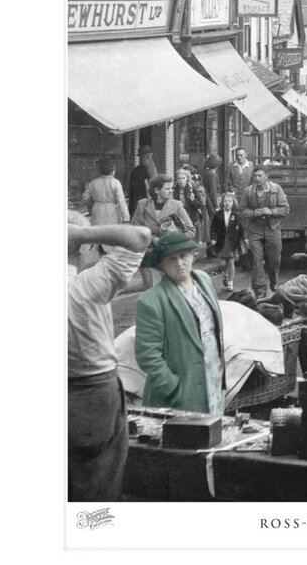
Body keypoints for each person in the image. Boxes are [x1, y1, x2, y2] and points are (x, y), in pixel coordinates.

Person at [68, 215, 151, 501]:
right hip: (92, 392)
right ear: (82, 248)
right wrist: (81, 232)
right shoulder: (87, 286)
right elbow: (139, 237)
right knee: (99, 482)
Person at [134, 232, 226, 414]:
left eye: (183, 256)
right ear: (161, 265)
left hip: (213, 380)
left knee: (212, 436)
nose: (179, 263)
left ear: (193, 255)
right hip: (180, 394)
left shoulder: (204, 281)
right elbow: (147, 355)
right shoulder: (151, 301)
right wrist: (174, 388)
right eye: (171, 259)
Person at [131, 174, 195, 289]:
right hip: (149, 257)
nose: (171, 191)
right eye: (167, 188)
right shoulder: (143, 205)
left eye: (172, 188)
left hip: (171, 257)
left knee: (171, 293)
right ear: (156, 190)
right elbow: (135, 230)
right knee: (151, 294)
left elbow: (191, 231)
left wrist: (172, 236)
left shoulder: (177, 206)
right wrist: (153, 239)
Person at [238, 165, 289, 300]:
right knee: (256, 259)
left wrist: (271, 211)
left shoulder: (276, 189)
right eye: (255, 176)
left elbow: (285, 209)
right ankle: (260, 290)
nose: (257, 178)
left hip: (272, 228)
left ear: (266, 176)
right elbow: (241, 210)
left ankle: (274, 279)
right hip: (254, 230)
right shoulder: (248, 191)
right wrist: (254, 212)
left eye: (260, 176)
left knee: (273, 259)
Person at [209, 191, 246, 292]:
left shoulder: (236, 215)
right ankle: (224, 274)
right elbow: (213, 228)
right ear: (222, 203)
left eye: (229, 201)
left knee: (231, 262)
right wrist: (213, 238)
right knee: (222, 263)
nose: (227, 203)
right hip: (221, 242)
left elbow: (242, 228)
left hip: (232, 242)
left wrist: (245, 238)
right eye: (225, 201)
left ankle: (230, 282)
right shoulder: (217, 215)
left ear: (233, 203)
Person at [81, 157, 129, 232]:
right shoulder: (115, 183)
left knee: (96, 233)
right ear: (112, 171)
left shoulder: (94, 182)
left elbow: (84, 197)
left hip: (97, 209)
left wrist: (90, 204)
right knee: (109, 234)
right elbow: (121, 201)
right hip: (110, 210)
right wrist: (126, 218)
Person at [174, 166, 208, 246]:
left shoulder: (191, 188)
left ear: (187, 178)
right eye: (179, 179)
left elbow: (200, 204)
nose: (181, 181)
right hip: (178, 216)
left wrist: (193, 200)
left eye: (183, 178)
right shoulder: (174, 189)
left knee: (191, 236)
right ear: (176, 179)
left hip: (191, 215)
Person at [127, 145, 156, 216]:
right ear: (149, 156)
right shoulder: (150, 169)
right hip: (145, 205)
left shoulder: (134, 170)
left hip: (135, 205)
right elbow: (153, 186)